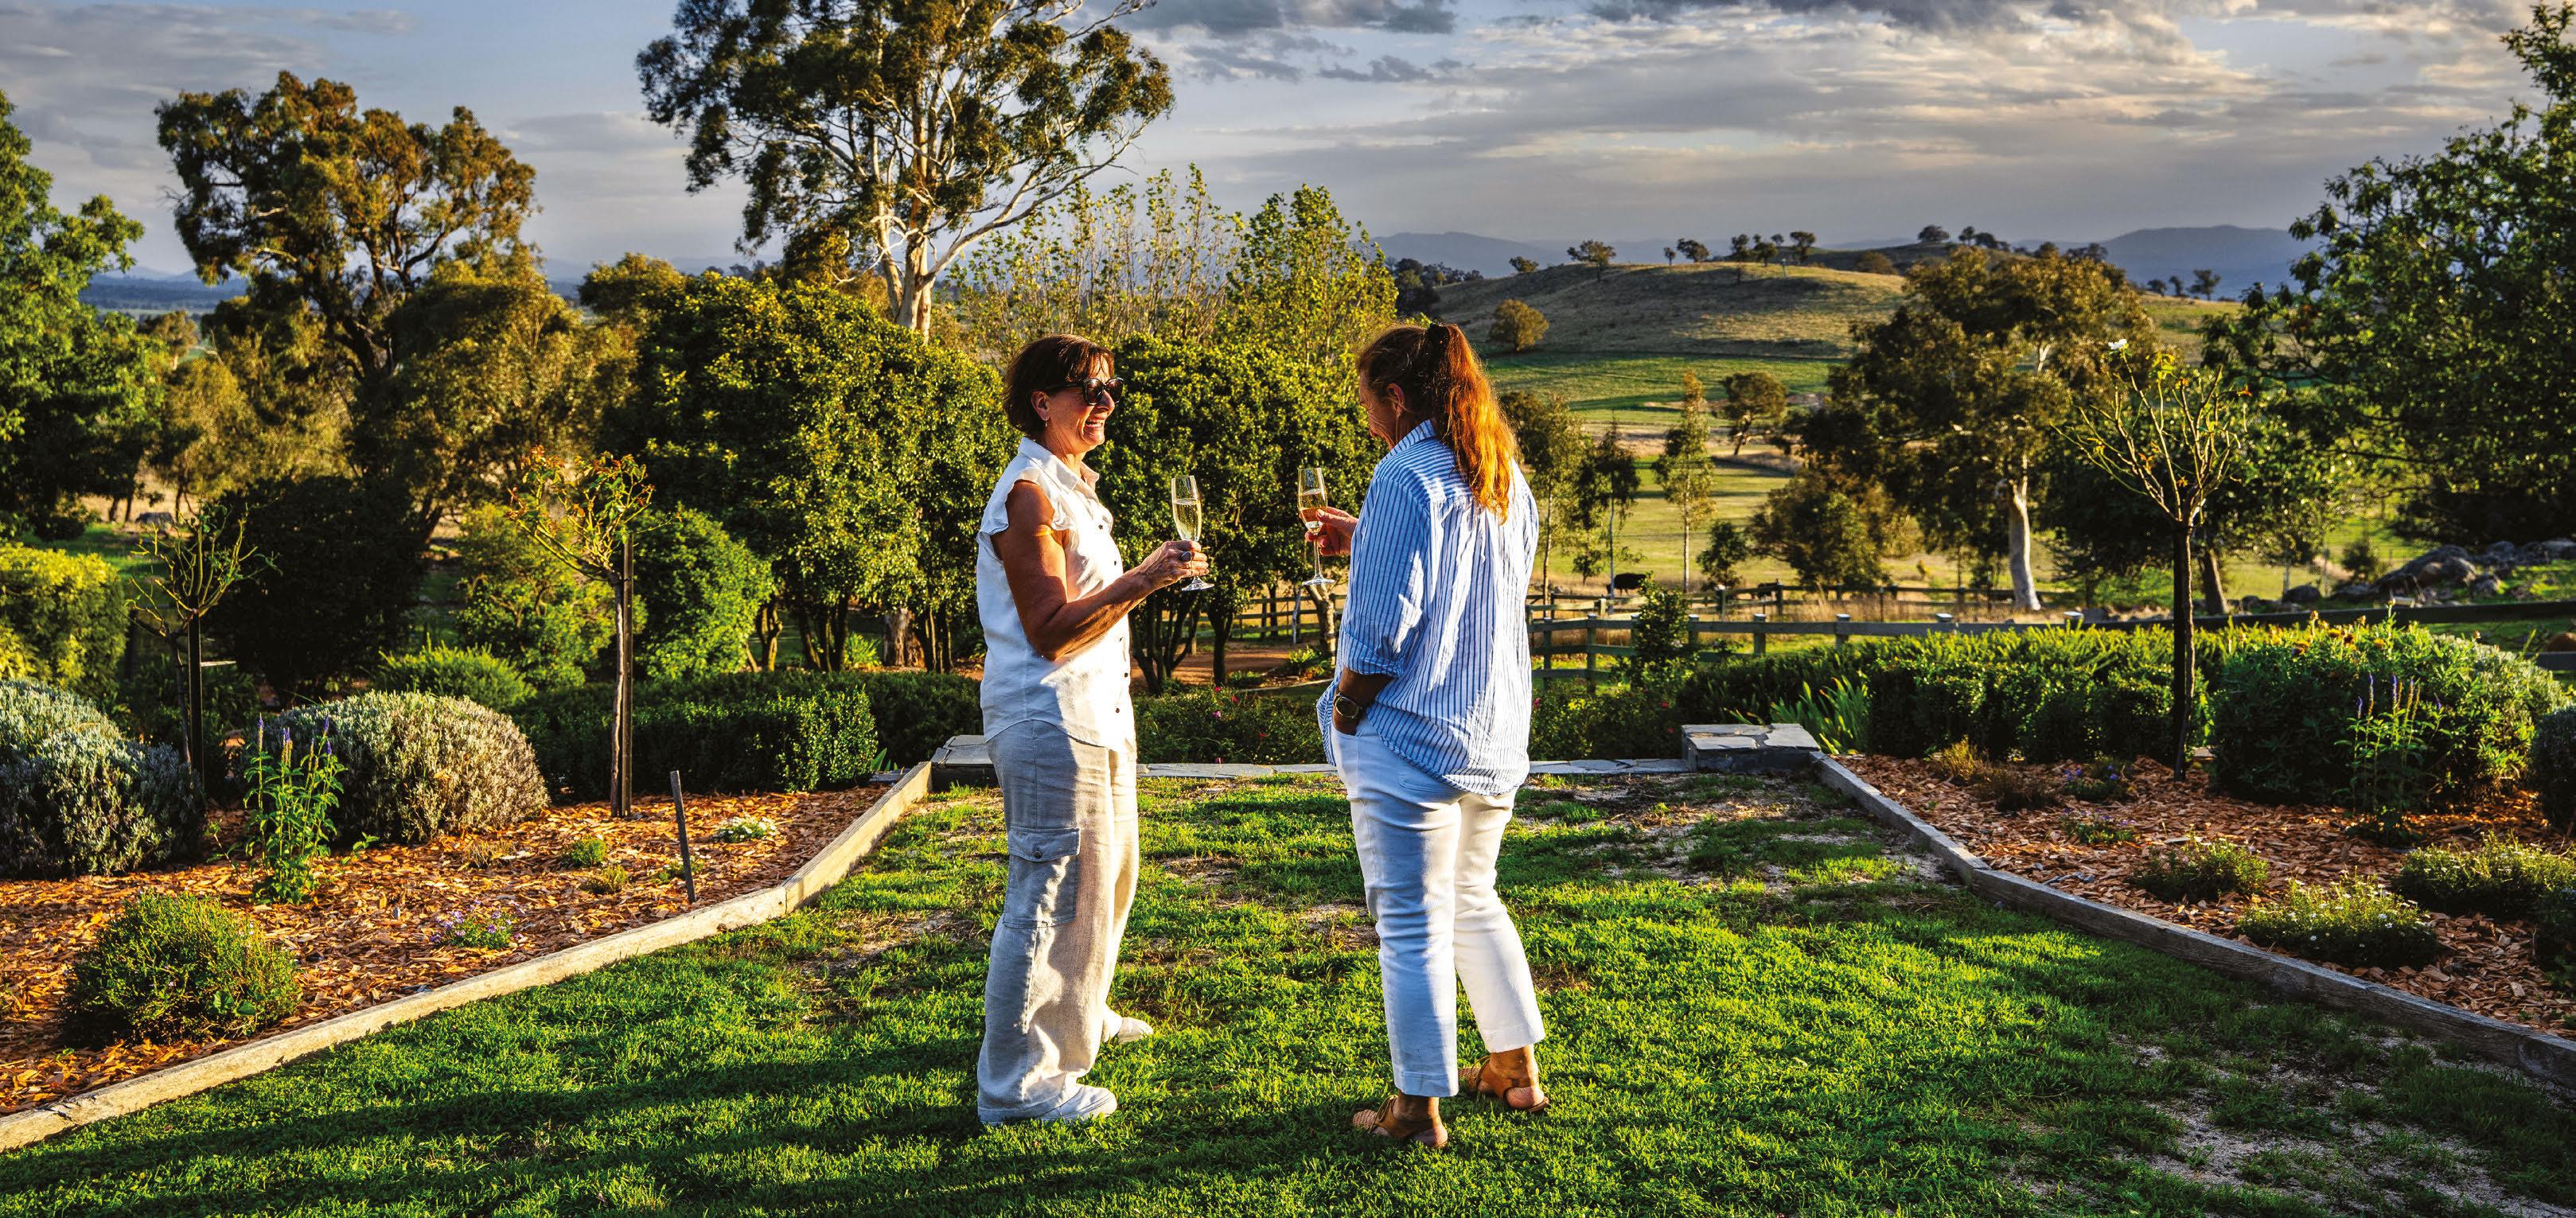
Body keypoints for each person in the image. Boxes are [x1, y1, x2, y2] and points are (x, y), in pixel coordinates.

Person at [1308, 321, 1550, 1150]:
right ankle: (1514, 1069)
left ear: (1396, 397)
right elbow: (1476, 583)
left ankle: (1415, 1111)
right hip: (1489, 728)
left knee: (1409, 925)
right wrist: (1364, 536)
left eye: (1368, 402)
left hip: (1409, 734)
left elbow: (1382, 629)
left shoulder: (1404, 473)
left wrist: (1346, 707)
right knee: (1474, 897)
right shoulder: (1500, 473)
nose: (1367, 417)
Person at [973, 333, 1209, 1126]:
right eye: (1089, 389)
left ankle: (1081, 1013)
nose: (1106, 402)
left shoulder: (1071, 489)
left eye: (1111, 388)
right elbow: (1048, 630)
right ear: (1043, 401)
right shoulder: (1028, 495)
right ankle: (1020, 1088)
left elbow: (1086, 614)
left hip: (1095, 714)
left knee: (1107, 881)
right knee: (1050, 897)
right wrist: (1144, 577)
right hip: (1048, 719)